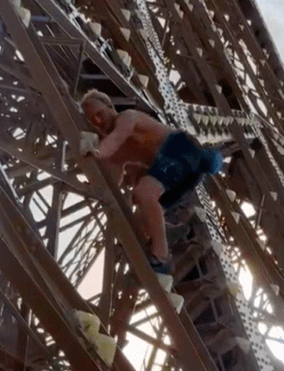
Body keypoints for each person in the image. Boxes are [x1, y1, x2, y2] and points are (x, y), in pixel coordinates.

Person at [80, 90, 222, 273]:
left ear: (110, 106)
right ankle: (167, 233)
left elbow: (115, 139)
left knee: (144, 192)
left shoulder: (127, 117)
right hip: (178, 175)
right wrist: (95, 188)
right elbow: (113, 180)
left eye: (100, 113)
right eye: (92, 120)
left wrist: (96, 152)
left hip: (180, 149)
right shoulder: (118, 153)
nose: (98, 121)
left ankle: (161, 257)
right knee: (139, 213)